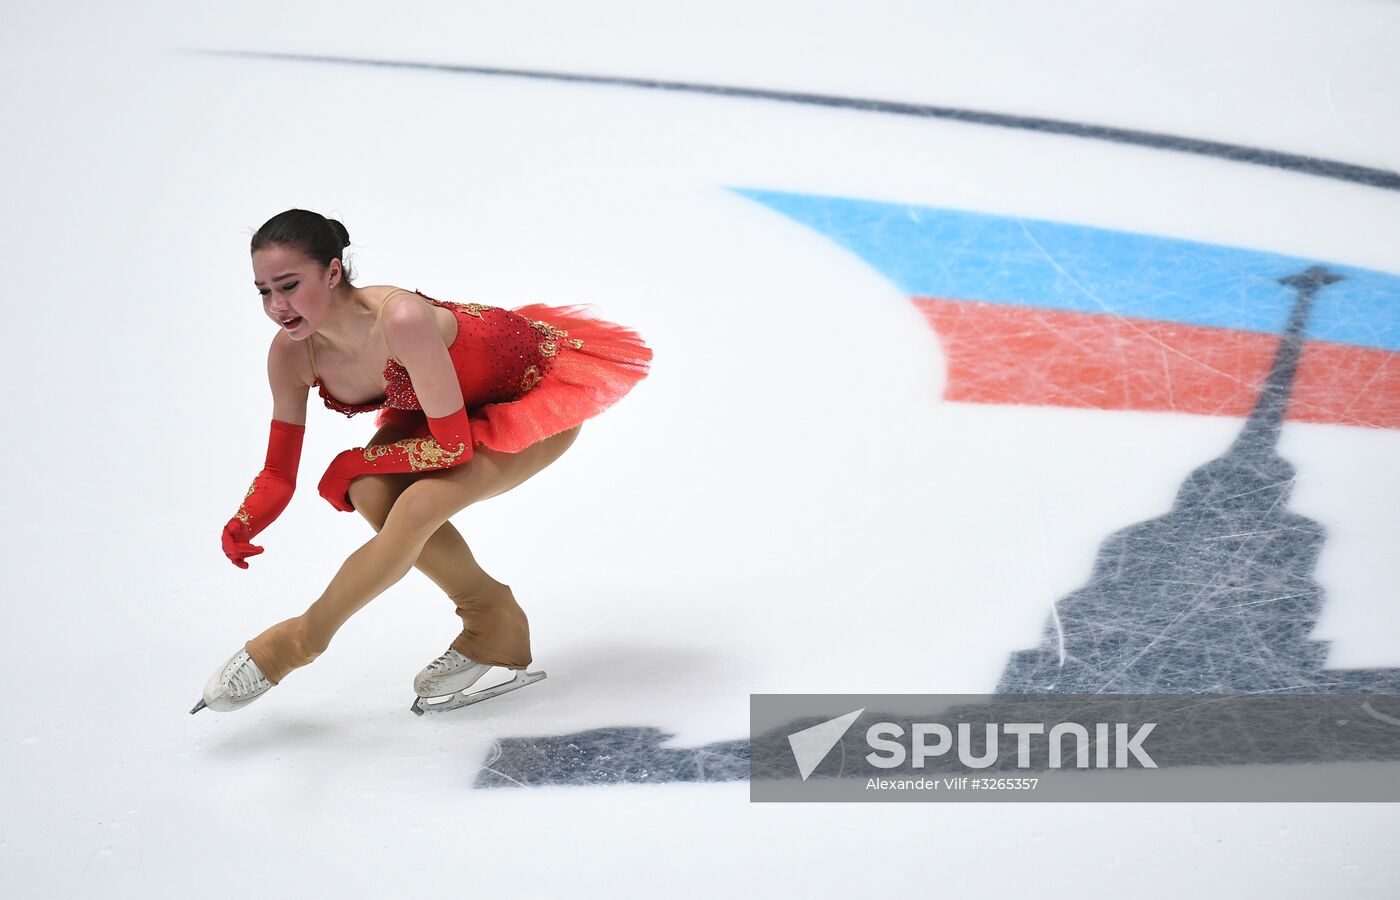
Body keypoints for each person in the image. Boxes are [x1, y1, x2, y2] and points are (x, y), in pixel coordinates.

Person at [192, 209, 653, 714]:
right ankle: (493, 616)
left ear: (332, 272)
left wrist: (348, 462)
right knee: (369, 488)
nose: (278, 306)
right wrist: (246, 519)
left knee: (414, 506)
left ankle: (298, 641)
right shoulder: (291, 354)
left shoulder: (399, 319)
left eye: (289, 285)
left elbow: (453, 449)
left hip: (526, 399)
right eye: (264, 292)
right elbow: (279, 472)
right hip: (441, 415)